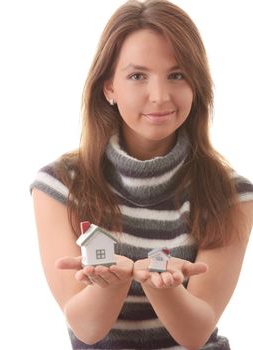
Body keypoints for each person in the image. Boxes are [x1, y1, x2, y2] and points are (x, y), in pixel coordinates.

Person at [30, 0, 253, 349]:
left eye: (177, 75)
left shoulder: (231, 193)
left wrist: (158, 285)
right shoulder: (59, 186)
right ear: (109, 88)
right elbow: (87, 329)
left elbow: (195, 333)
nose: (160, 96)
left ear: (196, 85)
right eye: (137, 76)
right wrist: (114, 282)